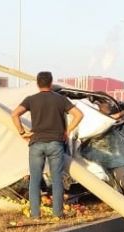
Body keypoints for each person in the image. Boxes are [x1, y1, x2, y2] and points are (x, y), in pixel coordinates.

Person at [11, 71, 84, 218]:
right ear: (51, 83)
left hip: (36, 143)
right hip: (56, 144)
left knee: (35, 180)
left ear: (38, 84)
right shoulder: (61, 100)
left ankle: (35, 215)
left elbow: (15, 114)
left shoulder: (31, 99)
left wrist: (22, 132)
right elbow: (79, 114)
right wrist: (67, 131)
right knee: (57, 179)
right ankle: (58, 214)